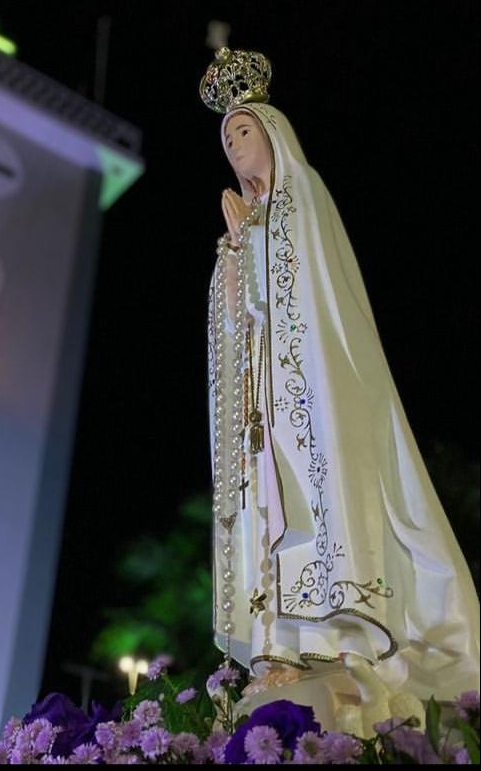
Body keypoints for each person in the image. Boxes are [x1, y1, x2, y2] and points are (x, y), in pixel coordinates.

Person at [202, 47, 479, 701]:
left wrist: (255, 242)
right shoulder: (244, 223)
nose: (235, 148)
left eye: (244, 133)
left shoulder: (304, 201)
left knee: (309, 506)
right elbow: (239, 320)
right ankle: (277, 647)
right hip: (259, 410)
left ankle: (330, 637)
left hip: (307, 400)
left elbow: (313, 302)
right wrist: (234, 254)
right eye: (227, 141)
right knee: (265, 514)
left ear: (274, 136)